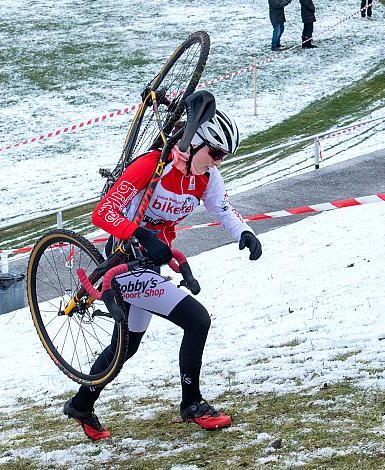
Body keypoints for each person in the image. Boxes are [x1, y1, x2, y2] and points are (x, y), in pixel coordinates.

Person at [63, 106, 263, 440]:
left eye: (223, 156)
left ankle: (81, 404)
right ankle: (192, 403)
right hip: (125, 259)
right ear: (195, 143)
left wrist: (245, 232)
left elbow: (223, 209)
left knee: (126, 347)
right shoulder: (152, 166)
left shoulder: (207, 177)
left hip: (151, 263)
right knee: (197, 320)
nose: (218, 161)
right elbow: (103, 214)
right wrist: (140, 234)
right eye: (214, 153)